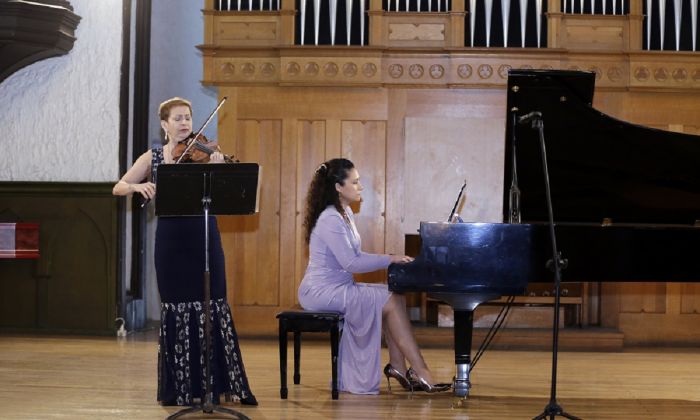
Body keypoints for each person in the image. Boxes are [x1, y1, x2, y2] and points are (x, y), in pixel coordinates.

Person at [112, 97, 257, 406]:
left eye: (188, 117)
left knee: (212, 303)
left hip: (204, 236)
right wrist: (138, 187)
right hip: (171, 242)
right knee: (176, 307)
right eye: (177, 118)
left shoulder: (205, 153)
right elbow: (119, 186)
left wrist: (219, 168)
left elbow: (229, 191)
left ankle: (216, 386)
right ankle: (181, 388)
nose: (184, 123)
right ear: (164, 124)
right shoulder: (153, 157)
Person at [298, 158, 451, 395]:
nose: (360, 187)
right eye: (355, 182)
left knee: (394, 294)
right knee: (389, 299)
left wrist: (391, 258)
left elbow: (356, 255)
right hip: (320, 292)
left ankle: (399, 366)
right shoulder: (330, 218)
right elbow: (351, 263)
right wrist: (390, 258)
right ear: (338, 187)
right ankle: (420, 370)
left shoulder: (345, 213)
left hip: (339, 287)